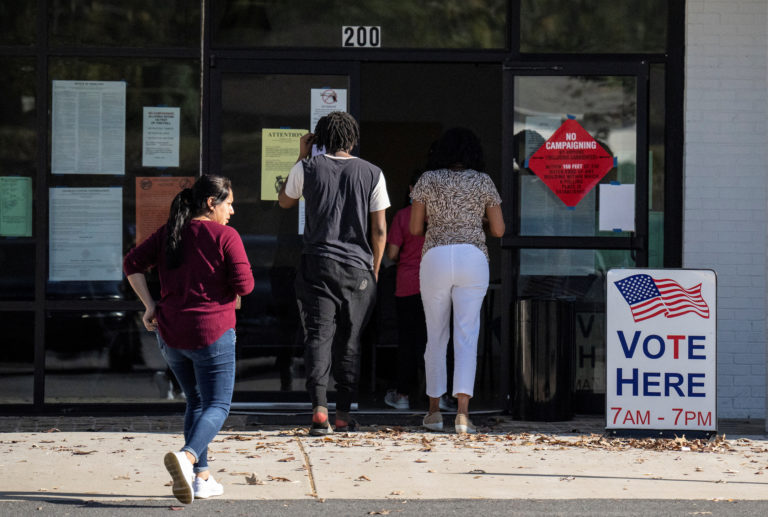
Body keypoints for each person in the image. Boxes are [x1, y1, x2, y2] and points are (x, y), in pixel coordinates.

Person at [123, 174, 254, 504]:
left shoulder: (171, 233)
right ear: (212, 203)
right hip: (212, 333)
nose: (233, 210)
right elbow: (246, 285)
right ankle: (188, 457)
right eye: (229, 203)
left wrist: (149, 305)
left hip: (171, 335)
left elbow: (131, 263)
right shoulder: (226, 236)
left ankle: (202, 479)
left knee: (196, 401)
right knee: (218, 404)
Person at [278, 111, 390, 435]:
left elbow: (285, 202)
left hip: (317, 262)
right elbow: (380, 229)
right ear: (352, 138)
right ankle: (343, 415)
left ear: (320, 139)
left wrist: (301, 156)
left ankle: (318, 410)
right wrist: (375, 269)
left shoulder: (307, 167)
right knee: (350, 340)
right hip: (358, 268)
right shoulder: (373, 173)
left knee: (318, 335)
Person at [409, 127, 504, 434]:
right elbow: (500, 231)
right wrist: (480, 220)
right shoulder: (483, 181)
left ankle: (434, 412)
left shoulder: (427, 179)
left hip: (436, 255)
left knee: (435, 336)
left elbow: (414, 229)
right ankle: (463, 414)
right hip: (473, 257)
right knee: (466, 335)